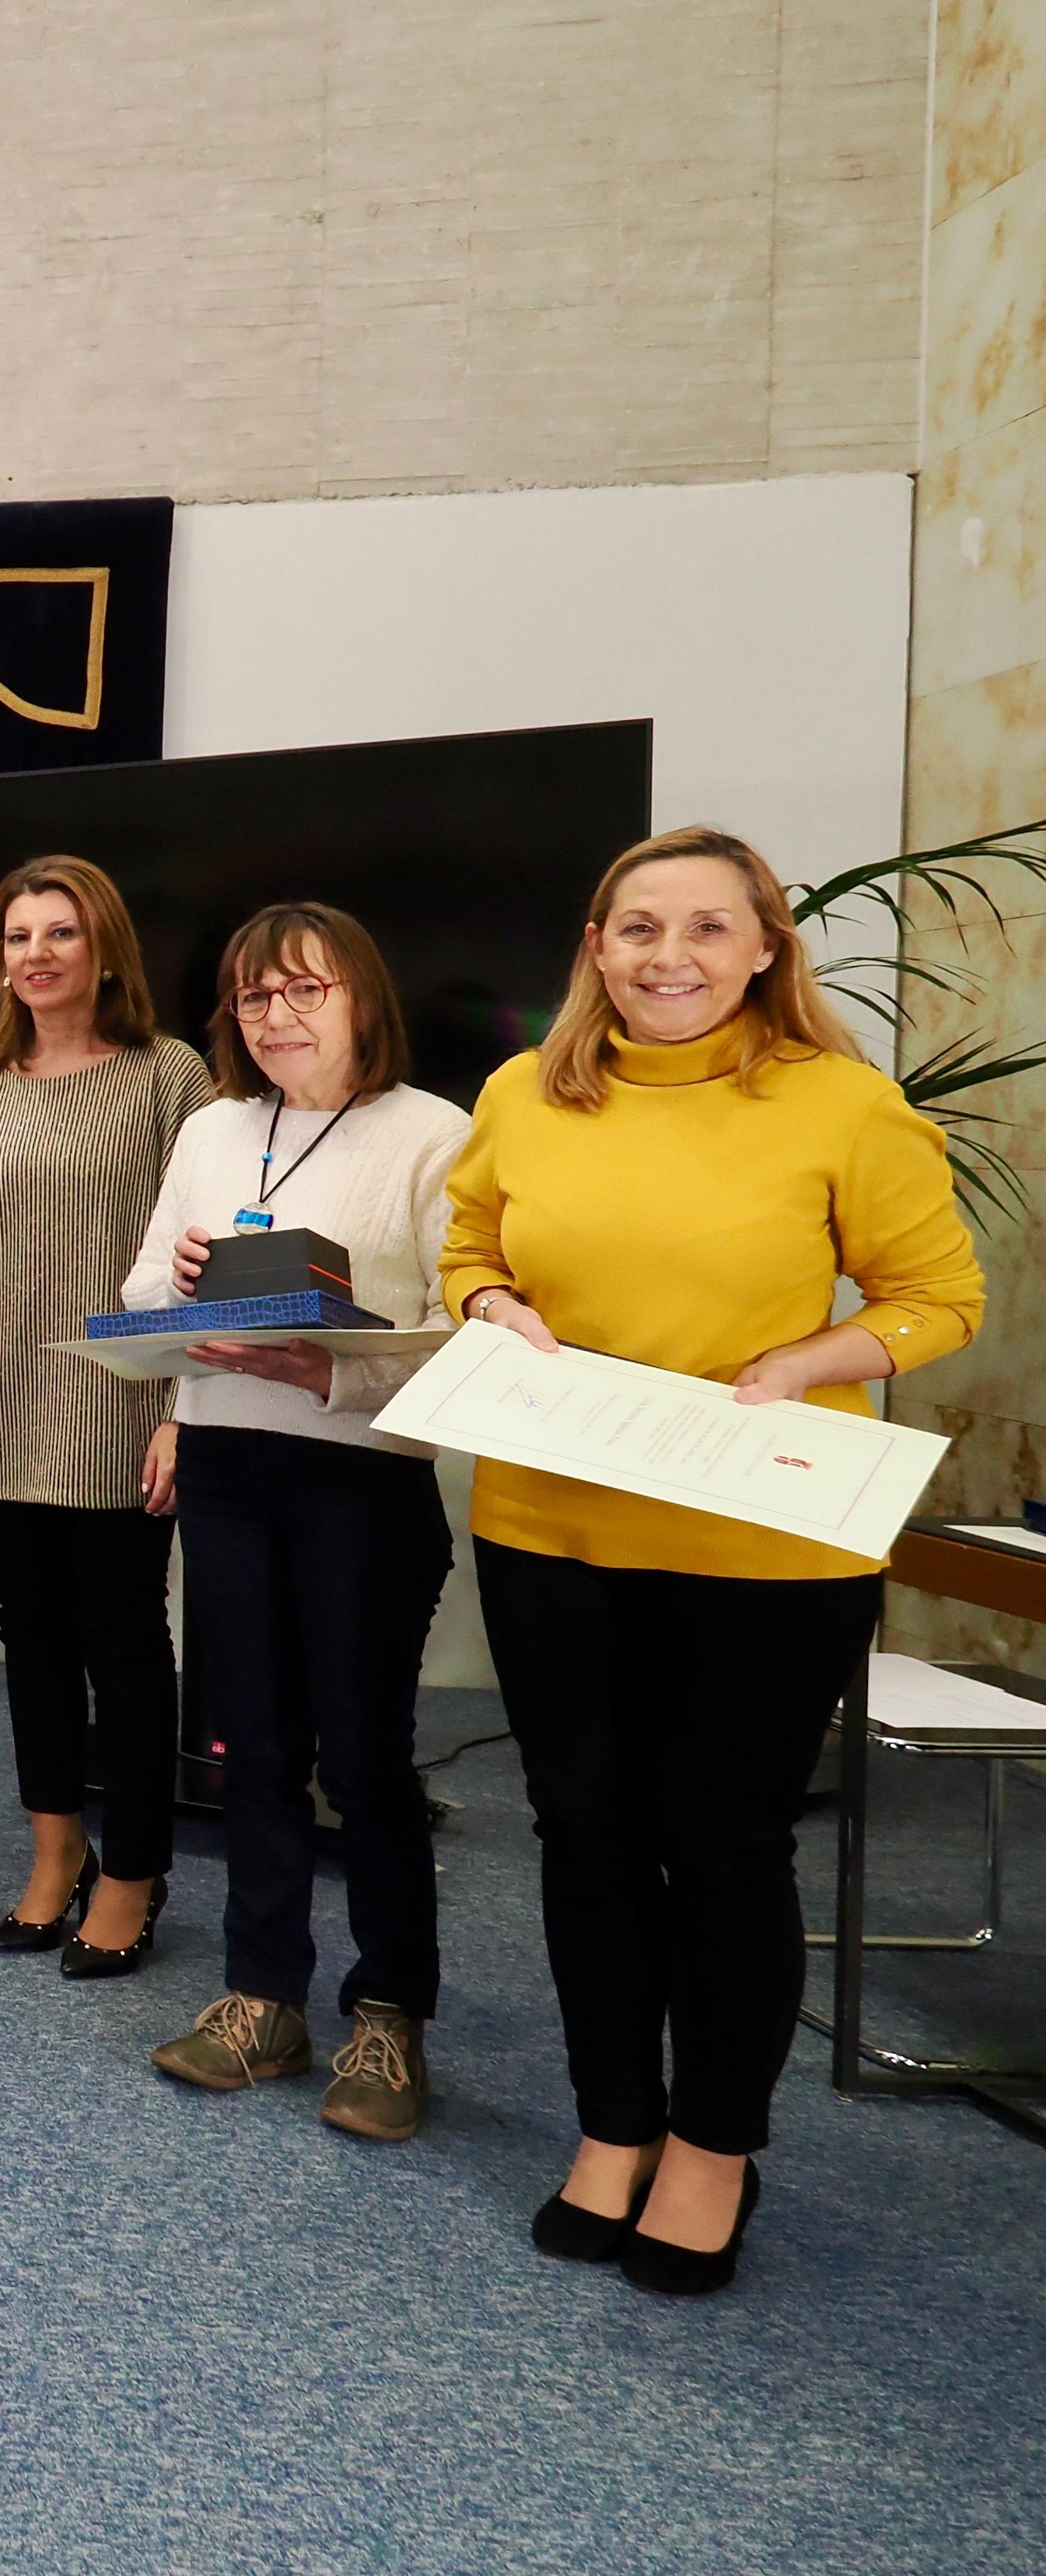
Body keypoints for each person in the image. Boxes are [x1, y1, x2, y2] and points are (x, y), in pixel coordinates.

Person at [441, 826, 980, 2294]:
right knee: (584, 1835)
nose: (664, 955)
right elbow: (468, 1241)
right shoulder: (520, 1094)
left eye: (700, 927)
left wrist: (819, 1352)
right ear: (594, 949)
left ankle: (711, 2146)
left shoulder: (842, 1105)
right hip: (548, 1524)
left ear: (762, 948)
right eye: (633, 926)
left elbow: (939, 1298)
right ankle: (612, 2122)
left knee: (724, 1848)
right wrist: (486, 1298)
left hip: (763, 1543)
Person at [121, 905, 469, 2138]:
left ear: (363, 1000)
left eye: (304, 993)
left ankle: (389, 2015)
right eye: (254, 1000)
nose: (277, 1020)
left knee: (362, 1758)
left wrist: (329, 1373)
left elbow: (458, 1323)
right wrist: (183, 1285)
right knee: (251, 1748)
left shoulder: (435, 1133)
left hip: (356, 1477)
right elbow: (139, 1281)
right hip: (223, 1459)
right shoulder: (214, 1128)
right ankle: (262, 1995)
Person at [0, 855, 212, 1978]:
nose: (36, 954)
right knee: (29, 1639)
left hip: (120, 1402)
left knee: (124, 1645)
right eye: (18, 936)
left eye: (61, 933)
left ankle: (133, 1873)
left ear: (105, 949)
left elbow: (206, 1259)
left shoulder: (170, 1078)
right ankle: (53, 1854)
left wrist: (185, 1407)